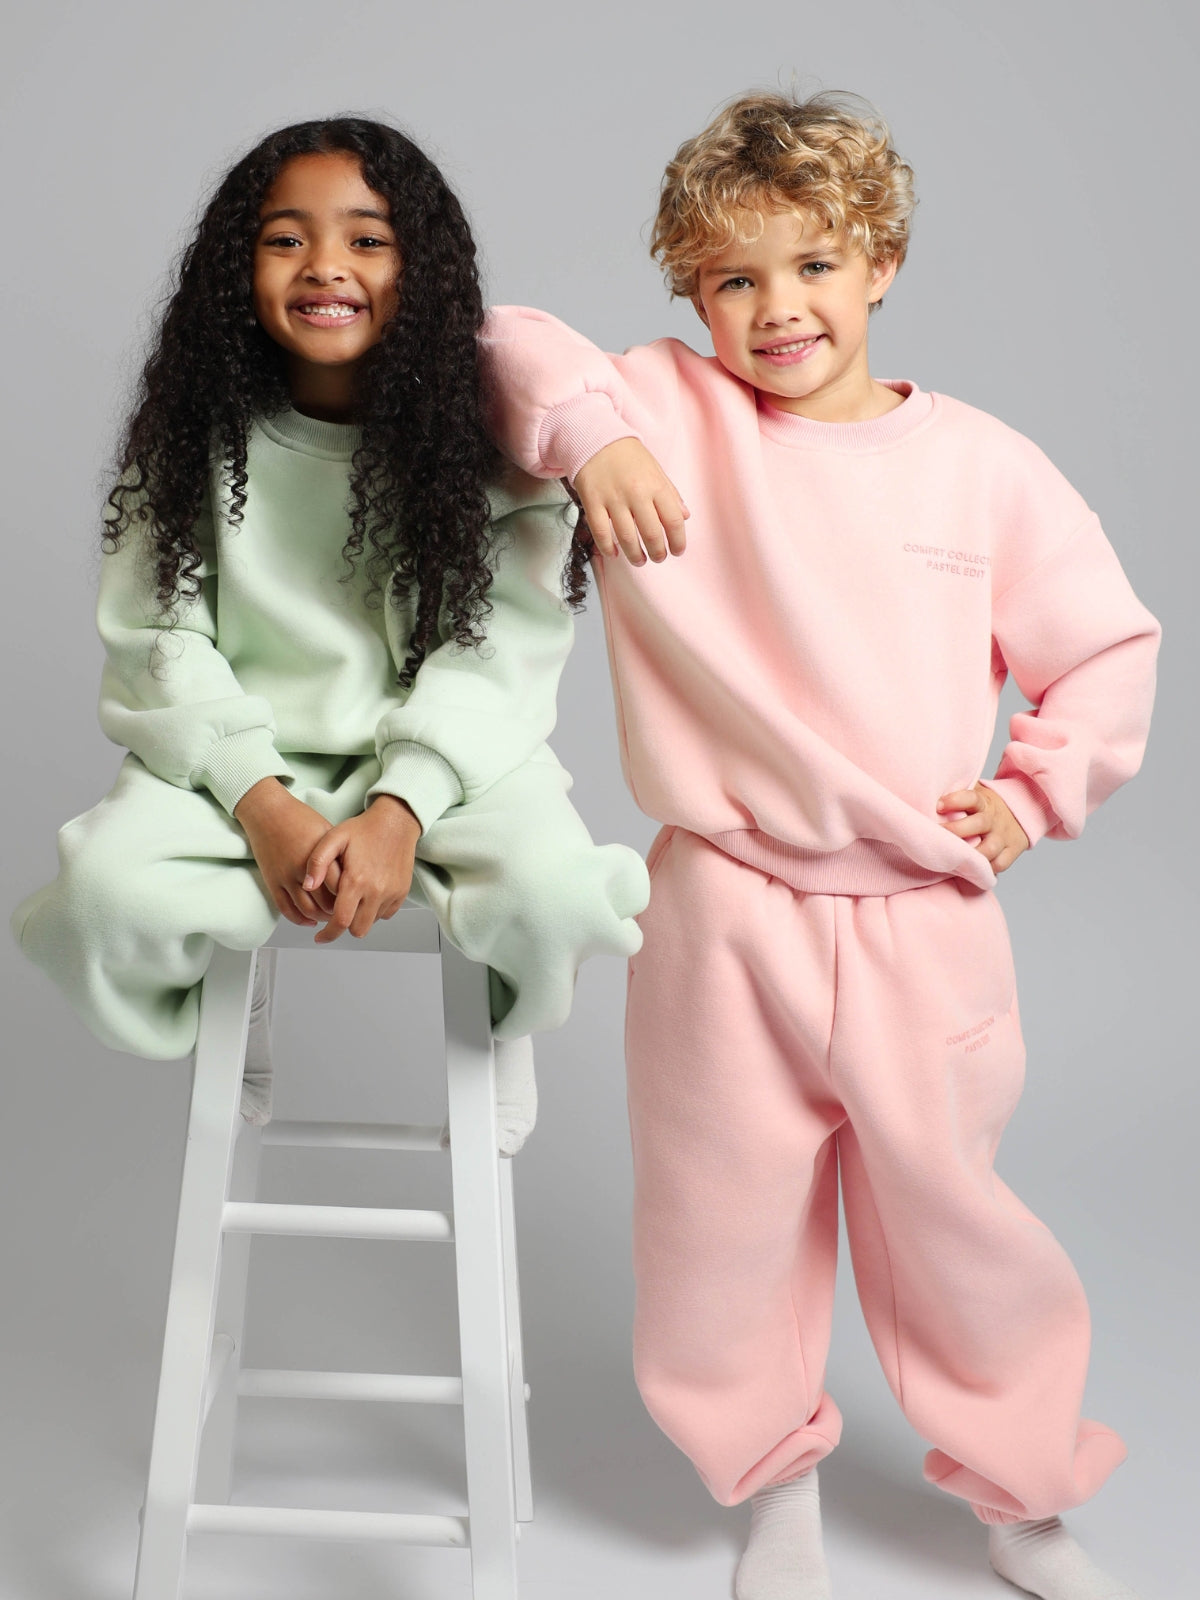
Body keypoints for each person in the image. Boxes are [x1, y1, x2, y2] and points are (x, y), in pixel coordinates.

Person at [481, 91, 1158, 1598]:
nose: (777, 306)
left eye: (814, 265)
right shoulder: (663, 409)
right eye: (734, 278)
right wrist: (592, 438)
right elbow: (497, 342)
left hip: (921, 916)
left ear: (882, 263)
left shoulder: (982, 466)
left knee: (957, 1224)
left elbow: (1108, 647)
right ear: (691, 293)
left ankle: (1022, 1494)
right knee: (719, 1222)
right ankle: (771, 1484)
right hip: (722, 907)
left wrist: (1038, 791)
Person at [12, 116, 649, 1150]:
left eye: (367, 239)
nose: (324, 266)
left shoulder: (491, 451)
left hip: (451, 763)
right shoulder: (190, 442)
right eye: (284, 238)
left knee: (553, 898)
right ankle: (232, 988)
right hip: (239, 768)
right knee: (100, 899)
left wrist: (403, 808)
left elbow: (499, 654)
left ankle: (500, 1026)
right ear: (237, 269)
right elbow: (158, 639)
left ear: (420, 269)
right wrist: (263, 804)